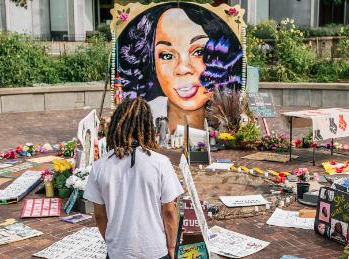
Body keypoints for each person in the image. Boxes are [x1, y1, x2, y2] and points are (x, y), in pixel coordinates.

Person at [118, 2, 243, 133]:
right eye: (167, 56)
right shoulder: (141, 118)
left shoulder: (232, 119)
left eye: (199, 52)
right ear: (151, 62)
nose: (183, 69)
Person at [84, 97, 184, 259]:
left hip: (118, 252)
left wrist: (113, 244)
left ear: (117, 125)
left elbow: (100, 215)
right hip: (155, 250)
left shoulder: (100, 166)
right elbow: (169, 211)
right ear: (147, 126)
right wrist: (171, 246)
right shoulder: (160, 163)